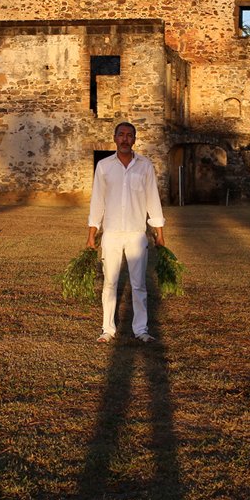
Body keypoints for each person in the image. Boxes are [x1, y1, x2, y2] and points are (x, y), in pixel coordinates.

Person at [87, 122, 166, 344]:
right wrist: (91, 234)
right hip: (111, 233)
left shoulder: (145, 166)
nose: (124, 139)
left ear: (134, 139)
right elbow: (97, 202)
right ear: (114, 138)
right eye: (121, 135)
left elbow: (153, 199)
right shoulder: (103, 166)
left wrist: (159, 232)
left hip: (136, 233)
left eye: (129, 135)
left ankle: (141, 329)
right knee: (110, 283)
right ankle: (107, 329)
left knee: (139, 284)